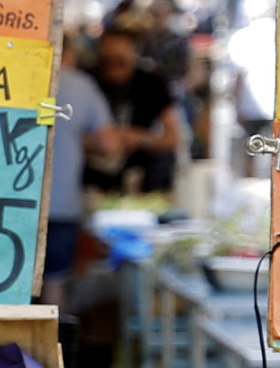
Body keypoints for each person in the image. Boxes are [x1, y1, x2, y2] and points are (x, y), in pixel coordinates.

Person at [43, 34, 115, 307]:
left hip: (12, 201)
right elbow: (108, 144)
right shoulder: (81, 85)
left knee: (7, 287)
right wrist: (81, 140)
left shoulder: (15, 77)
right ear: (69, 54)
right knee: (55, 285)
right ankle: (55, 348)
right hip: (62, 202)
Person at [87, 25, 185, 195]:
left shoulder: (151, 84)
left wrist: (140, 138)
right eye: (107, 61)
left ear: (134, 55)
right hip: (92, 181)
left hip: (140, 181)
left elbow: (173, 137)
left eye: (121, 61)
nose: (114, 68)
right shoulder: (87, 82)